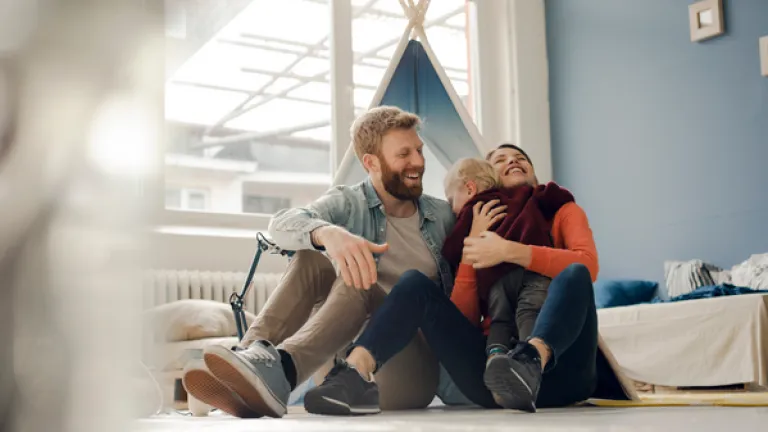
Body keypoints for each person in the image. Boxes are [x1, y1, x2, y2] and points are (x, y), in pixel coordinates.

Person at [181, 106, 466, 418]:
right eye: (404, 154)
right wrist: (326, 233)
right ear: (370, 162)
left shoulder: (442, 217)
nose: (418, 162)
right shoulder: (349, 202)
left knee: (359, 276)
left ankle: (282, 371)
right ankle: (244, 364)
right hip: (339, 370)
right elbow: (281, 224)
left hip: (408, 368)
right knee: (311, 259)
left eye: (419, 150)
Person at [303, 143, 630, 415]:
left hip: (563, 373)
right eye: (500, 160)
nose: (512, 160)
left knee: (573, 272)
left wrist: (508, 250)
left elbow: (588, 266)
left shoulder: (561, 210)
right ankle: (353, 373)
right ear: (489, 183)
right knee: (416, 283)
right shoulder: (477, 226)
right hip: (494, 376)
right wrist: (474, 246)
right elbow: (464, 318)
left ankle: (531, 359)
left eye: (520, 158)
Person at [440, 157, 574, 381]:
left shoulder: (473, 210)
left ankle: (496, 357)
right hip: (532, 273)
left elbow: (453, 248)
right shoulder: (525, 197)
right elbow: (553, 194)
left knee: (500, 320)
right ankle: (527, 361)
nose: (453, 209)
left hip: (497, 280)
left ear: (470, 188)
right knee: (529, 313)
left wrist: (455, 250)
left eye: (452, 200)